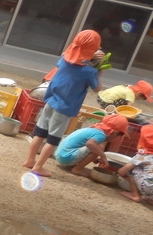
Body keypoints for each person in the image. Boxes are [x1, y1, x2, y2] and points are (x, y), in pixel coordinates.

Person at [22, 30, 104, 177]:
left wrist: (89, 55)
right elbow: (97, 88)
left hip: (51, 101)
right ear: (93, 50)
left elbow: (74, 55)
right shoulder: (89, 71)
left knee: (39, 134)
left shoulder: (64, 60)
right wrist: (99, 68)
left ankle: (29, 160)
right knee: (53, 140)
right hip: (65, 108)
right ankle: (38, 167)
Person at [54, 113, 129, 177]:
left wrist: (94, 158)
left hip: (60, 155)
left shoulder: (94, 130)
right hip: (66, 157)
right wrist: (103, 156)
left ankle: (77, 167)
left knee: (96, 147)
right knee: (98, 147)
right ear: (115, 133)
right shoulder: (101, 134)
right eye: (120, 135)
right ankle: (77, 169)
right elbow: (90, 144)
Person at [117, 124, 153, 204]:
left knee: (133, 169)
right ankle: (151, 200)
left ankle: (135, 195)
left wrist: (120, 172)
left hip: (150, 190)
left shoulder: (143, 155)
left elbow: (122, 171)